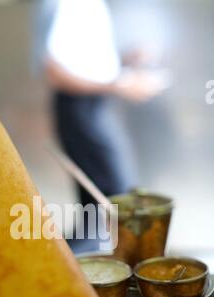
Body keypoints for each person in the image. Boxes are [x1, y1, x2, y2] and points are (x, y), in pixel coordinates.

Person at [35, 0, 163, 250]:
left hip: (96, 105)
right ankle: (71, 276)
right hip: (81, 108)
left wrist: (125, 61)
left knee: (99, 209)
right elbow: (53, 70)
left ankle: (76, 273)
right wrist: (119, 85)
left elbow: (86, 61)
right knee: (113, 202)